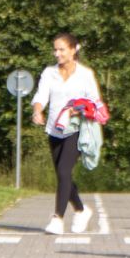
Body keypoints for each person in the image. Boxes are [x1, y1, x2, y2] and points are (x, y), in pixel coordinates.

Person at [31, 32, 103, 235]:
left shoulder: (85, 74)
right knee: (63, 176)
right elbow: (41, 96)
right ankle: (81, 210)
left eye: (61, 49)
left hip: (76, 130)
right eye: (55, 50)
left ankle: (57, 218)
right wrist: (37, 111)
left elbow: (94, 102)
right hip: (54, 130)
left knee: (64, 171)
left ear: (73, 50)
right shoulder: (49, 73)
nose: (57, 54)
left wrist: (77, 110)